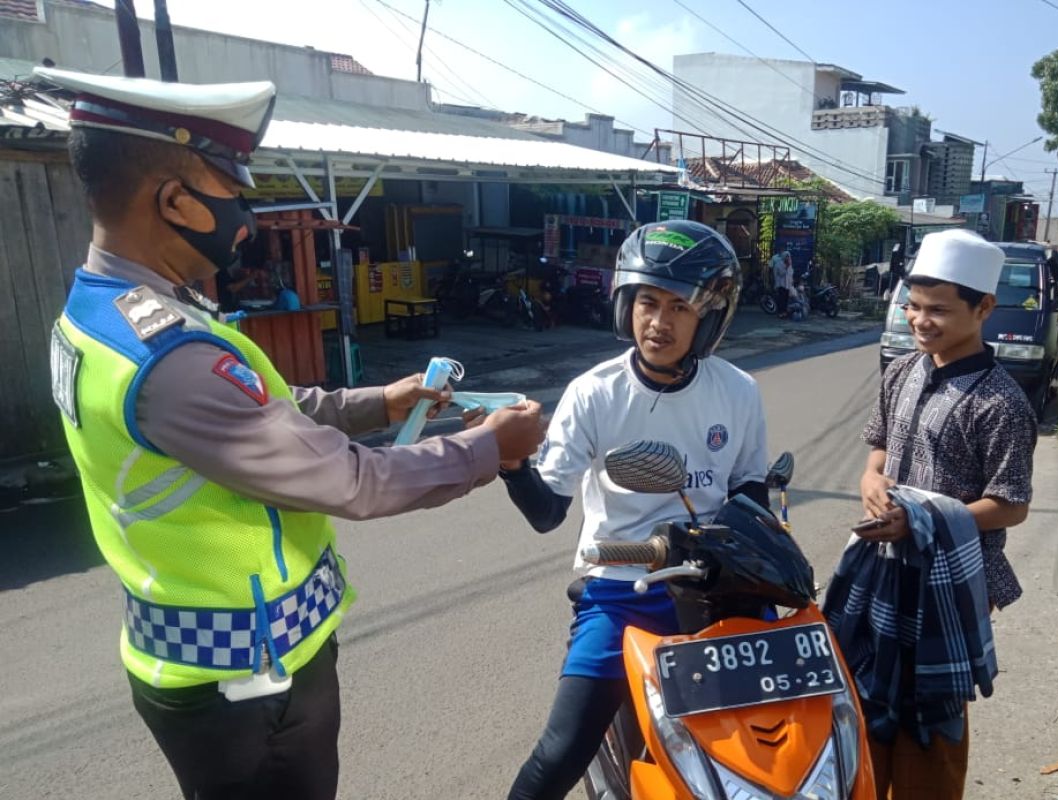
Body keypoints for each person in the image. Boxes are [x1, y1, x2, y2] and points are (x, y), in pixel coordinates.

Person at [38, 66, 545, 800]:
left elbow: (269, 408)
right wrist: (490, 448)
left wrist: (382, 400)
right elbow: (351, 480)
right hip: (247, 677)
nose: (243, 219)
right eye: (231, 193)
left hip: (211, 657)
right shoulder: (166, 354)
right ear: (174, 199)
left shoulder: (108, 314)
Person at [496, 219, 770, 799]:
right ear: (626, 304)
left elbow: (750, 491)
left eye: (679, 307)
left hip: (716, 588)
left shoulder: (738, 391)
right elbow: (549, 512)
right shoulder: (594, 393)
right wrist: (513, 464)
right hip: (624, 590)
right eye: (648, 301)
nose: (659, 322)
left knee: (771, 731)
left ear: (709, 317)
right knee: (561, 749)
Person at [855, 228, 1037, 799]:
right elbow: (879, 444)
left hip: (955, 580)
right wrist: (870, 478)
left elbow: (1011, 505)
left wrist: (924, 519)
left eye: (938, 309)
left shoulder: (1001, 402)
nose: (920, 320)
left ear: (983, 308)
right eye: (913, 306)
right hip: (887, 563)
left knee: (932, 707)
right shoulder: (903, 371)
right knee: (871, 689)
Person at [770, 246, 793, 319]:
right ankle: (780, 313)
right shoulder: (778, 264)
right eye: (786, 257)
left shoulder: (789, 265)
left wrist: (791, 282)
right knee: (781, 299)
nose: (788, 258)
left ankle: (785, 312)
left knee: (786, 299)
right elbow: (781, 273)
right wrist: (786, 267)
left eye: (788, 257)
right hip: (780, 284)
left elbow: (790, 274)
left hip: (787, 285)